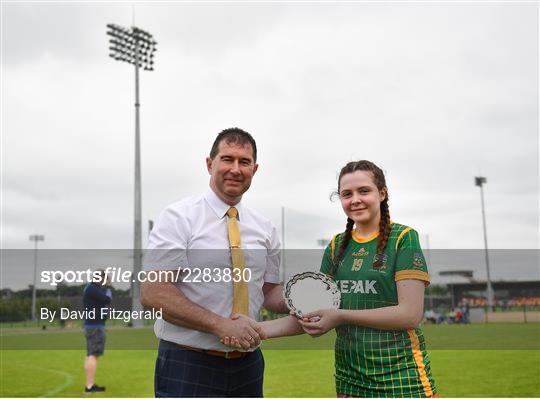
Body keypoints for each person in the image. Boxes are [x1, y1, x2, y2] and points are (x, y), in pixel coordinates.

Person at [228, 160, 437, 397]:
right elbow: (313, 314)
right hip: (350, 380)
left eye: (364, 191)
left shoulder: (404, 238)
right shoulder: (337, 246)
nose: (355, 199)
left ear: (382, 193)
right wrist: (252, 329)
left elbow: (409, 315)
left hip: (401, 377)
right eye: (347, 194)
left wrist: (339, 315)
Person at [141, 128, 287, 398]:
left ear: (254, 169)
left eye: (244, 162)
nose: (235, 169)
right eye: (227, 159)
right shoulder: (179, 217)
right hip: (188, 362)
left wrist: (306, 297)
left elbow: (268, 293)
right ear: (210, 164)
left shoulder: (265, 228)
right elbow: (153, 292)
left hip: (248, 363)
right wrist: (221, 325)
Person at [82, 269, 112, 393]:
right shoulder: (93, 289)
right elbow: (107, 300)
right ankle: (89, 386)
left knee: (90, 355)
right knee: (93, 355)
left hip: (91, 325)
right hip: (95, 326)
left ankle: (90, 384)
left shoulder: (91, 288)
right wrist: (109, 287)